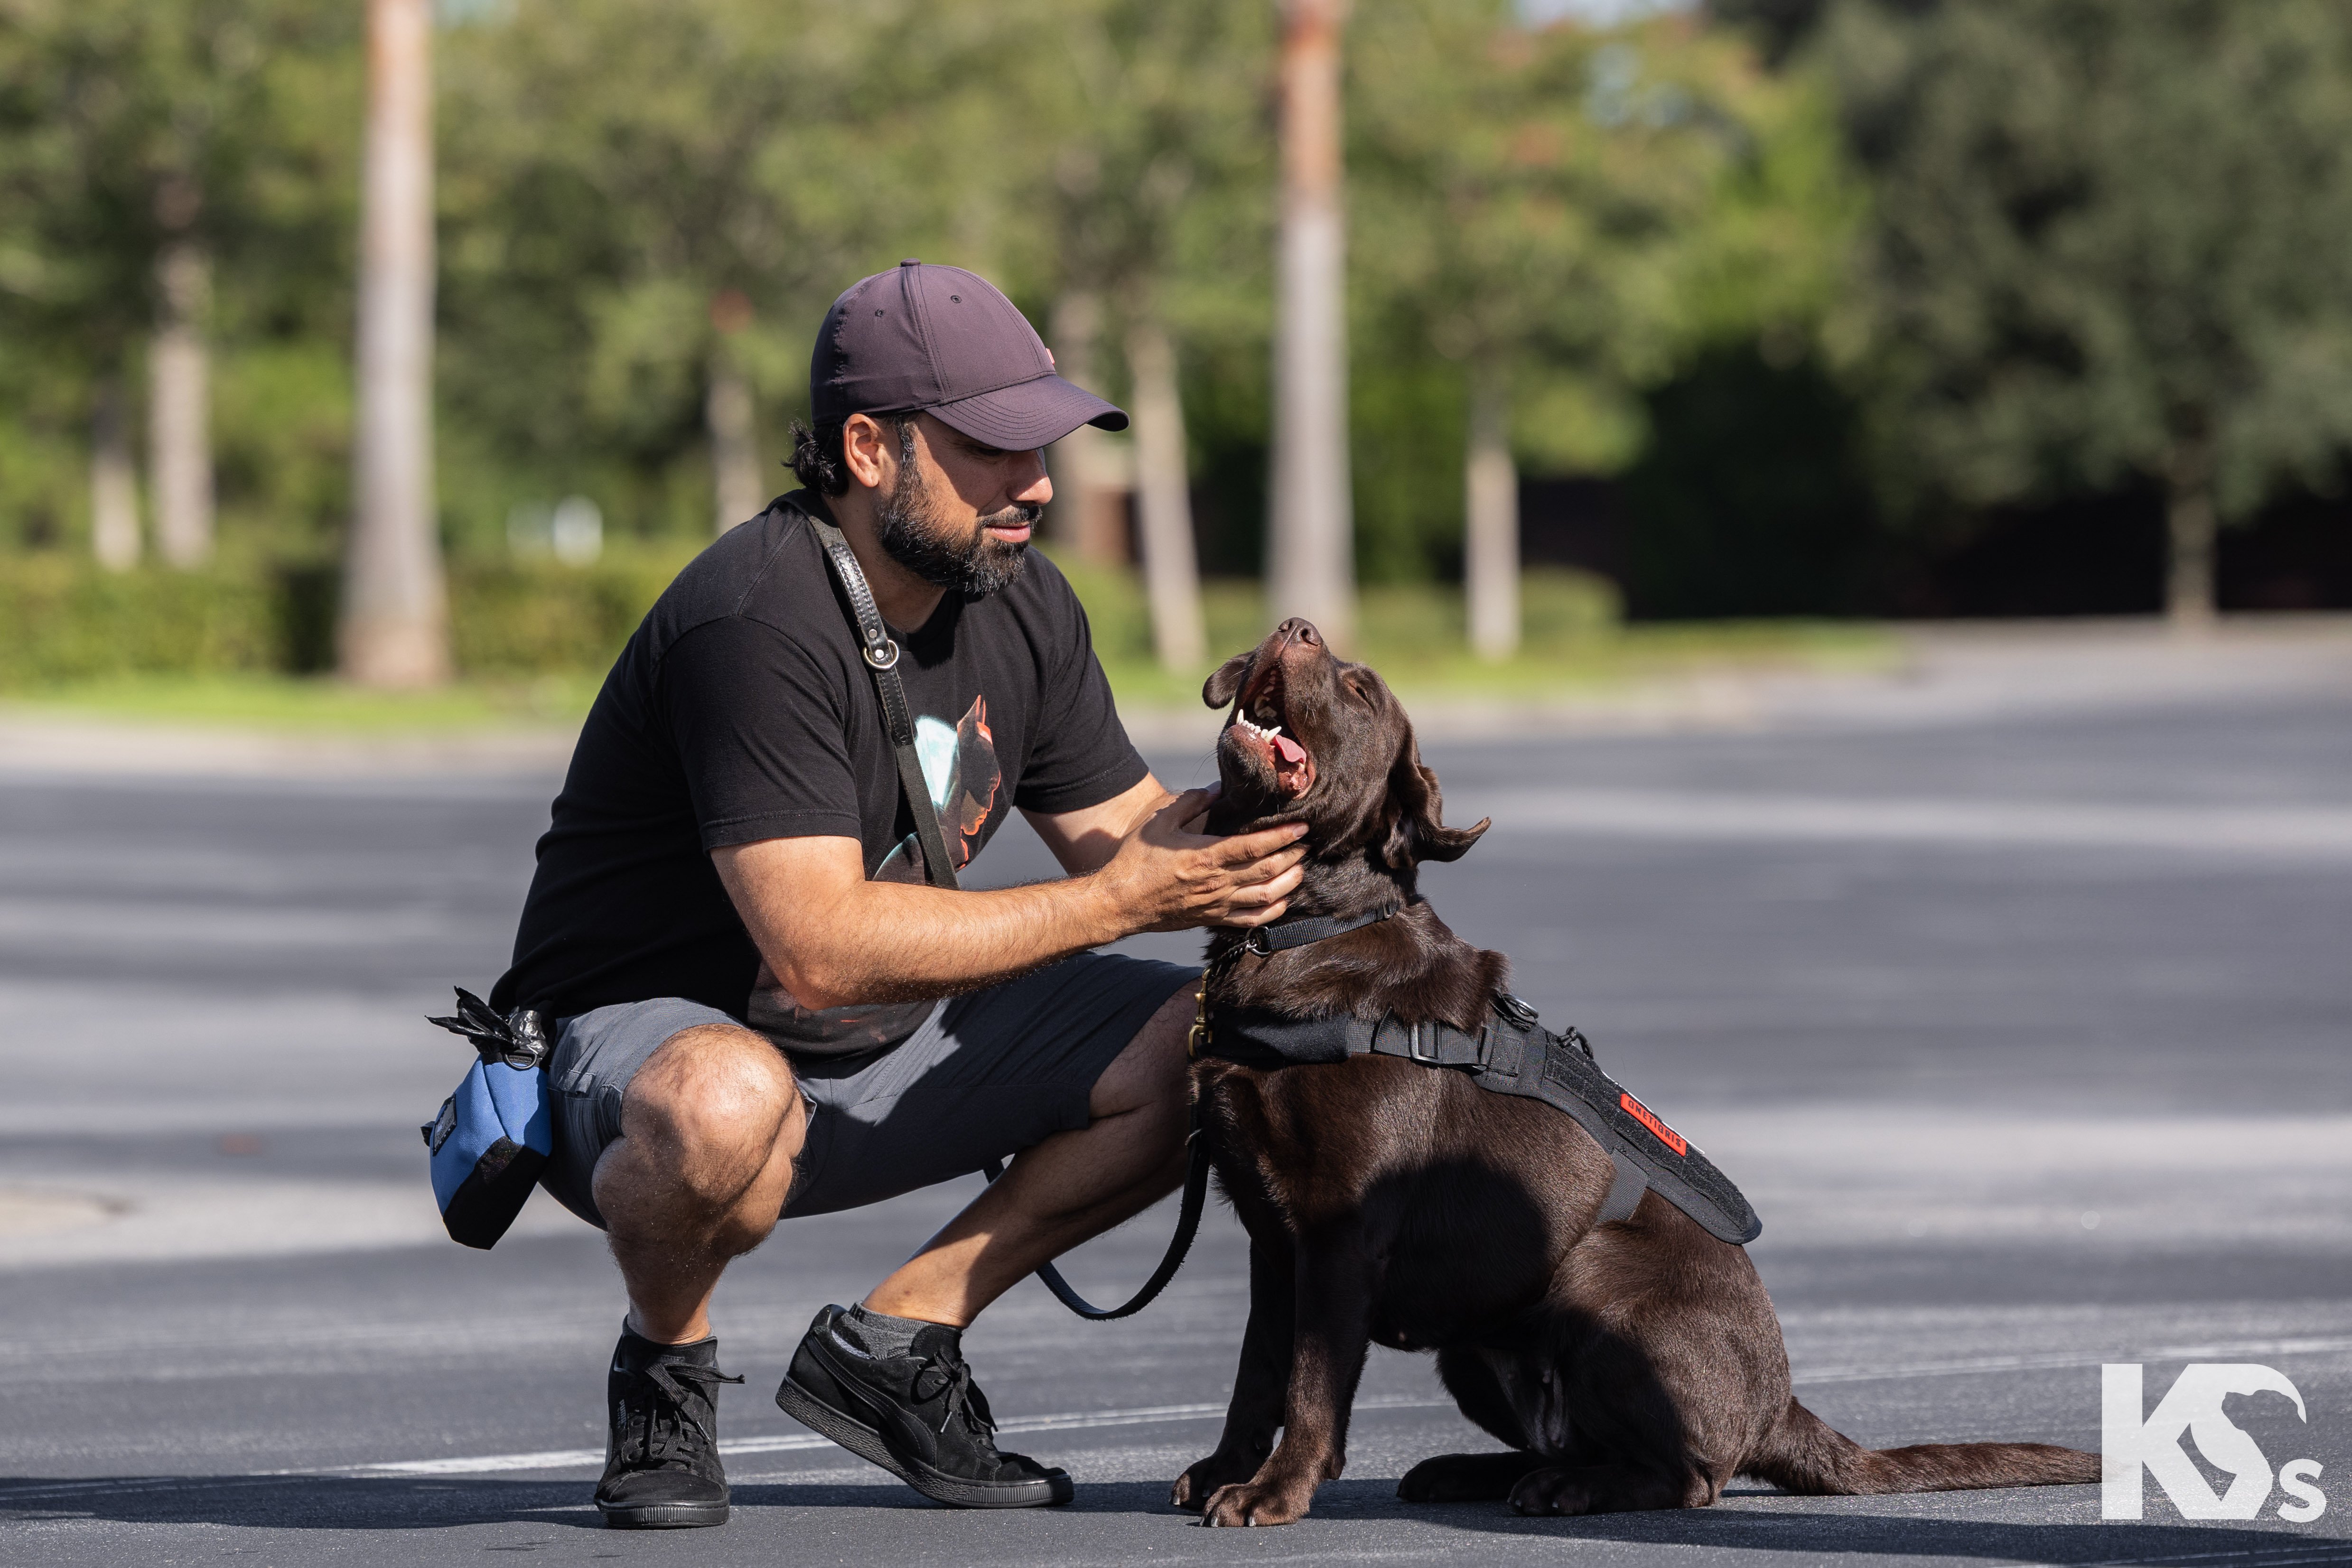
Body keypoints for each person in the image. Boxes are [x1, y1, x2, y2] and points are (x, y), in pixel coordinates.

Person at [487, 259, 1307, 1530]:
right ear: (869, 450)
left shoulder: (1020, 596)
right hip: (649, 1060)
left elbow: (1127, 838)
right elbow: (815, 950)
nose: (1035, 482)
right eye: (992, 449)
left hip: (885, 1047)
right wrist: (1130, 900)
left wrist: (1275, 796)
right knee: (723, 1103)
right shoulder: (756, 619)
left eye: (1044, 444)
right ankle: (665, 1368)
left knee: (1218, 1044)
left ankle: (897, 1345)